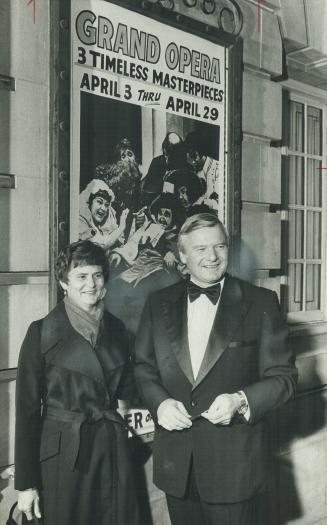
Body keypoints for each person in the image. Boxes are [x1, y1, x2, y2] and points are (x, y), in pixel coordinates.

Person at [135, 213, 298, 525]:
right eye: (200, 249)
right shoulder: (157, 303)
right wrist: (160, 403)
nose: (212, 257)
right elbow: (143, 368)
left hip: (234, 468)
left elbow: (285, 378)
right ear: (182, 255)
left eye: (220, 247)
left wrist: (240, 400)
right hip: (177, 467)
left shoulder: (261, 302)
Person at [15, 240, 140, 525]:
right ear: (63, 282)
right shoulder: (41, 333)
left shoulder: (118, 330)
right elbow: (27, 413)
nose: (91, 284)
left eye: (97, 275)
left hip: (110, 450)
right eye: (81, 276)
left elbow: (130, 388)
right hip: (64, 457)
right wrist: (26, 484)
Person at [79, 179, 128, 251]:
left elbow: (119, 242)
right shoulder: (80, 219)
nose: (103, 208)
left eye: (106, 205)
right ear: (89, 202)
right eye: (99, 202)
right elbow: (99, 247)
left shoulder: (108, 216)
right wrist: (121, 227)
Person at [141, 132, 186, 205]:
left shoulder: (183, 164)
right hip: (158, 202)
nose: (168, 158)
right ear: (164, 150)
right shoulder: (157, 162)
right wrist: (165, 186)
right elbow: (147, 186)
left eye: (173, 156)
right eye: (167, 155)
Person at [184, 131, 221, 212]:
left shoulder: (218, 168)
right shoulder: (192, 171)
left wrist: (205, 203)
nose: (192, 162)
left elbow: (221, 203)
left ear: (202, 152)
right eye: (190, 158)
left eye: (194, 156)